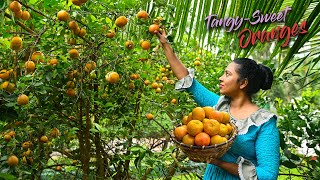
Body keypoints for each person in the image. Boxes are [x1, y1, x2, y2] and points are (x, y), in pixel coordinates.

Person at [155, 28, 280, 180]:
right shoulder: (220, 108)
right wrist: (165, 45)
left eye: (227, 74)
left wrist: (219, 163)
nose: (221, 78)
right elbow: (187, 80)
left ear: (243, 83)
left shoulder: (264, 122)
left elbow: (268, 175)